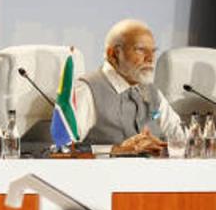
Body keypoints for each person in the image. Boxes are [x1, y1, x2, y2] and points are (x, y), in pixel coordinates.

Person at [74, 19, 183, 154]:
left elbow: (180, 138)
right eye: (140, 50)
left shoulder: (153, 92)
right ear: (113, 54)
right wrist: (115, 150)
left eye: (153, 51)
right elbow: (60, 151)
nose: (150, 58)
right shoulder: (86, 90)